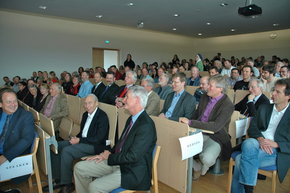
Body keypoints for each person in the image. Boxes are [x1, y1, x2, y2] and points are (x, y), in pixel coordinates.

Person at [74, 86, 157, 193]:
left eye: (127, 97)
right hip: (118, 162)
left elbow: (132, 156)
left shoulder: (146, 125)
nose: (124, 99)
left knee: (94, 187)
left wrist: (110, 157)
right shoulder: (131, 119)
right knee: (79, 168)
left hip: (131, 171)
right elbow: (121, 145)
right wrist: (105, 154)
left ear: (136, 100)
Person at [231, 78, 290, 193]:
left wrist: (276, 144)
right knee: (248, 142)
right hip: (257, 144)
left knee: (239, 159)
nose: (273, 94)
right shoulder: (265, 108)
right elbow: (252, 127)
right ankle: (249, 189)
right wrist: (260, 138)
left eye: (278, 92)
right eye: (274, 90)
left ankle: (246, 190)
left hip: (276, 152)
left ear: (288, 96)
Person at [42, 94, 109, 193]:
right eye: (85, 103)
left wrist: (79, 140)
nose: (87, 106)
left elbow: (99, 138)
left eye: (90, 103)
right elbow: (83, 132)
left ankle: (67, 184)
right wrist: (76, 137)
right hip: (83, 141)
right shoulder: (85, 114)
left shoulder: (102, 116)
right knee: (55, 145)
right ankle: (58, 178)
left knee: (67, 151)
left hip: (95, 146)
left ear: (96, 103)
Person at [180, 75, 234, 178]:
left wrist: (191, 123)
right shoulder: (205, 96)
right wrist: (188, 124)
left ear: (220, 89)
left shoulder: (228, 105)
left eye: (210, 85)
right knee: (180, 146)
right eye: (208, 84)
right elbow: (197, 114)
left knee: (207, 158)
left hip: (216, 135)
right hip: (198, 131)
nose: (207, 87)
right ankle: (196, 167)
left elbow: (215, 127)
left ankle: (200, 166)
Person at [0, 88, 35, 181]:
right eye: (8, 102)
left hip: (12, 155)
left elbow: (26, 140)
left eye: (15, 101)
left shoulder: (25, 116)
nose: (13, 105)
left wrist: (5, 157)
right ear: (0, 104)